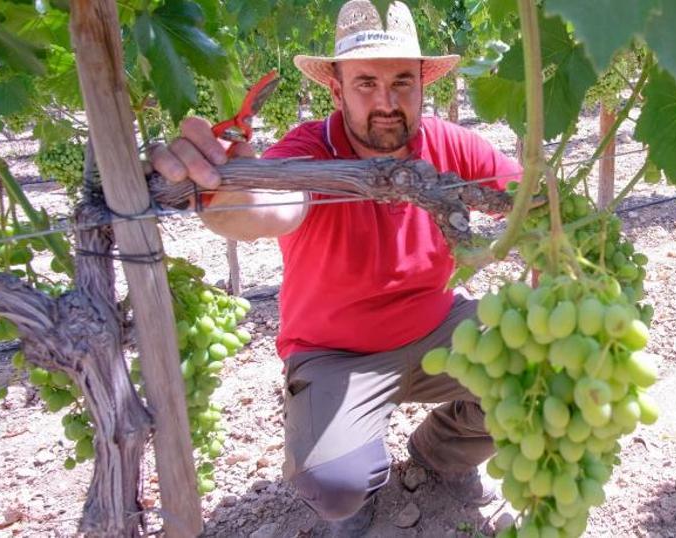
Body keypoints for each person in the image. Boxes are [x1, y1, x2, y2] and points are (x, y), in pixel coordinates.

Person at [148, 0, 521, 534]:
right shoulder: (307, 152)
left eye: (402, 82)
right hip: (335, 355)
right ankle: (357, 495)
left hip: (436, 331)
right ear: (336, 89)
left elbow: (521, 194)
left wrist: (550, 206)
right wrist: (217, 189)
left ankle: (441, 455)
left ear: (422, 85)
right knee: (336, 482)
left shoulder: (449, 144)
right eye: (366, 82)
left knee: (536, 366)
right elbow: (268, 206)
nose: (387, 101)